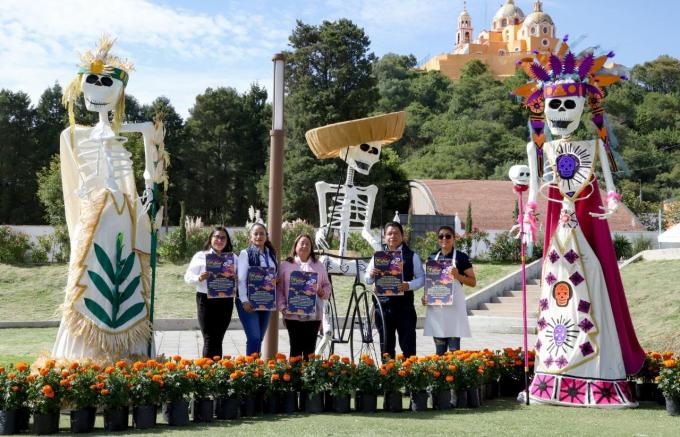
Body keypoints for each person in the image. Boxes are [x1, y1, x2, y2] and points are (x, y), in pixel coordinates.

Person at [365, 221, 425, 359]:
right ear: (385, 237)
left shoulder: (412, 256)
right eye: (389, 233)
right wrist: (371, 275)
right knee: (386, 347)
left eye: (396, 233)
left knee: (408, 347)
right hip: (383, 307)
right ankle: (388, 377)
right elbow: (367, 278)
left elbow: (422, 278)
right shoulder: (378, 256)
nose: (393, 236)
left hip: (405, 308)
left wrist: (408, 285)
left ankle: (409, 377)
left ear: (402, 236)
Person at [276, 234, 332, 359]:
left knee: (309, 351)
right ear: (295, 246)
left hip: (314, 315)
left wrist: (322, 292)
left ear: (311, 247)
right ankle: (293, 378)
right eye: (302, 243)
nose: (305, 246)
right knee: (295, 350)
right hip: (292, 315)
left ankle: (307, 378)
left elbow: (327, 286)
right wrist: (283, 307)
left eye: (308, 243)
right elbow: (279, 289)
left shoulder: (319, 265)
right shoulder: (285, 265)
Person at [422, 225, 476, 354]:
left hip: (454, 310)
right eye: (441, 236)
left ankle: (453, 374)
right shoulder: (431, 258)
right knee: (439, 351)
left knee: (454, 352)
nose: (444, 239)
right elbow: (429, 283)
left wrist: (457, 276)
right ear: (437, 239)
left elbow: (473, 282)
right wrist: (425, 297)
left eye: (448, 236)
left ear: (454, 238)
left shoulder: (461, 257)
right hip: (437, 310)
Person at [184, 227, 237, 358]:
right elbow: (187, 277)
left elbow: (242, 280)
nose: (219, 240)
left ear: (227, 241)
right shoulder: (200, 256)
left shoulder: (233, 258)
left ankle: (216, 374)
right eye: (217, 237)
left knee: (218, 338)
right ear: (211, 239)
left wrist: (235, 277)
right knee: (209, 339)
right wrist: (199, 278)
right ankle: (206, 373)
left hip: (226, 301)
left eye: (223, 237)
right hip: (205, 300)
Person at [237, 223, 278, 356]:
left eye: (262, 233)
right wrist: (244, 300)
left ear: (266, 236)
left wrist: (275, 280)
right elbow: (241, 279)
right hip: (249, 301)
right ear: (250, 237)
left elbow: (272, 275)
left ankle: (256, 371)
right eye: (256, 233)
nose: (259, 236)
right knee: (254, 337)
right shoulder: (245, 253)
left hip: (266, 301)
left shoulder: (271, 253)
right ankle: (250, 370)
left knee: (259, 338)